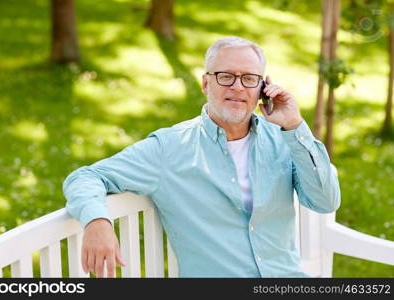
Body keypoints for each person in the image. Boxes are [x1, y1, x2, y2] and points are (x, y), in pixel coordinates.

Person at [63, 36, 341, 278]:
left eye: (249, 78)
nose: (238, 87)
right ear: (206, 84)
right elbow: (86, 176)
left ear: (263, 88)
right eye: (225, 76)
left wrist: (293, 127)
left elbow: (325, 201)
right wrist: (97, 221)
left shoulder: (283, 139)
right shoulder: (168, 148)